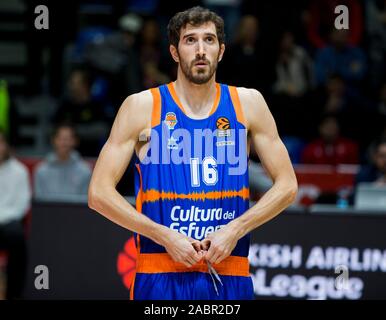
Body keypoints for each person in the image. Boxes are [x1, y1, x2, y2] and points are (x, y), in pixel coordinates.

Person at [88, 6, 297, 300]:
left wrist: (235, 229)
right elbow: (98, 193)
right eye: (190, 40)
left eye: (209, 40)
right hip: (159, 274)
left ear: (221, 51)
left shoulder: (249, 104)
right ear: (174, 52)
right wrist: (164, 236)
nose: (201, 50)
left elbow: (288, 185)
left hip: (228, 272)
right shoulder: (141, 107)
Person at [0, 129, 30, 299]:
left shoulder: (20, 171)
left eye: (0, 142)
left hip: (8, 225)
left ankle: (14, 294)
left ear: (6, 145)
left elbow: (22, 205)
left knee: (17, 237)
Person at [34, 124, 92, 201]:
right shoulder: (41, 170)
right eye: (60, 138)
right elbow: (39, 203)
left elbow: (85, 203)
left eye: (68, 139)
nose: (64, 142)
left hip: (76, 212)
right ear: (53, 140)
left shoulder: (85, 170)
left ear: (75, 141)